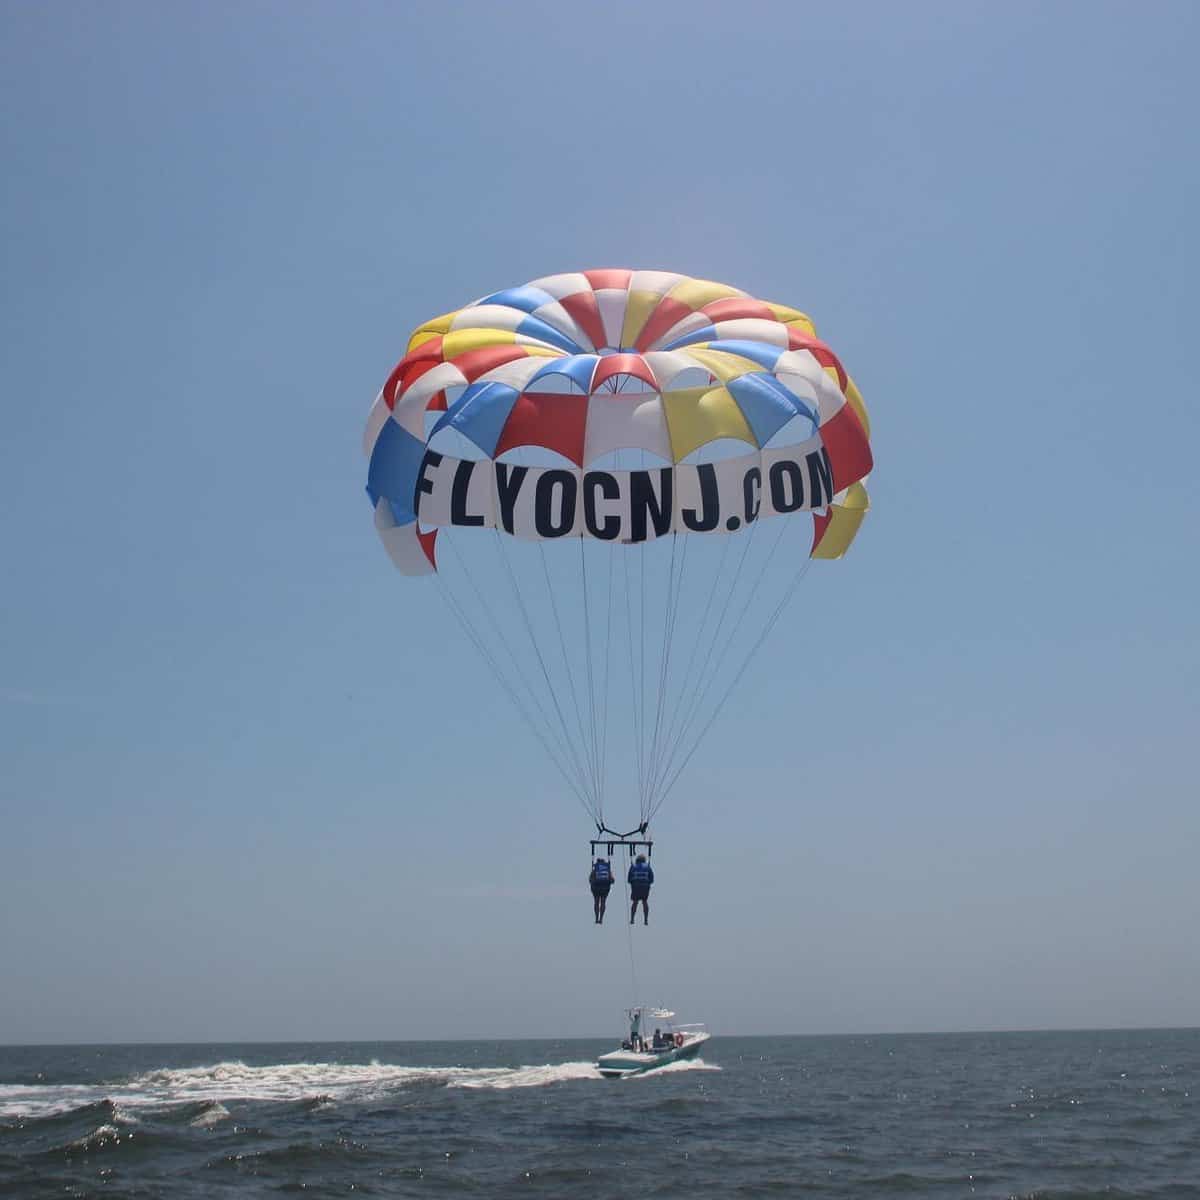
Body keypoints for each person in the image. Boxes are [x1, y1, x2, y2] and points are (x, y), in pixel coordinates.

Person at [628, 854, 654, 925]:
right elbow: (651, 879)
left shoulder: (633, 866)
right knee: (644, 901)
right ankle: (646, 919)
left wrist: (633, 883)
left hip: (636, 887)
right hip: (645, 887)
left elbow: (629, 879)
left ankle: (632, 918)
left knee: (635, 902)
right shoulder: (648, 867)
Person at [588, 857, 613, 924]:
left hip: (596, 888)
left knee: (596, 902)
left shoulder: (595, 869)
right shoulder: (607, 869)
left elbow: (590, 879)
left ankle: (596, 918)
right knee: (603, 902)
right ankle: (601, 918)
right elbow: (612, 880)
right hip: (605, 888)